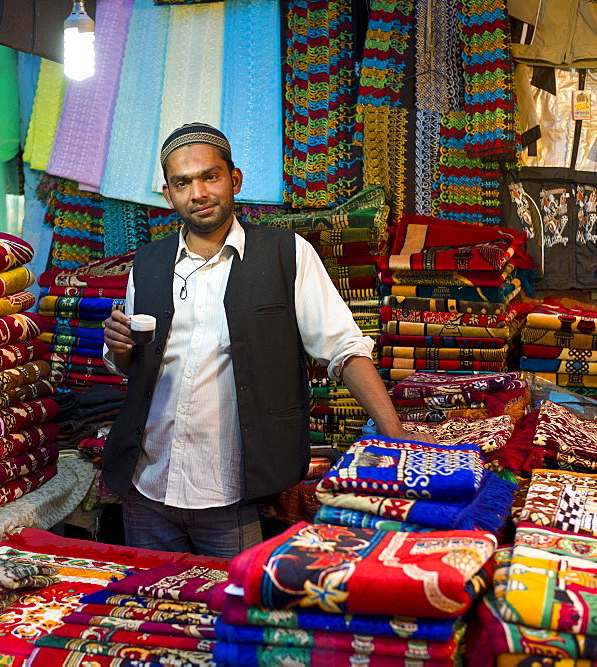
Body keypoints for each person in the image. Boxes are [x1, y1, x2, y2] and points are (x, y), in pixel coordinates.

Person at [102, 122, 431, 559]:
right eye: (182, 183)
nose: (197, 193)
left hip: (230, 490)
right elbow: (130, 363)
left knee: (233, 610)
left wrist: (396, 437)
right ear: (168, 193)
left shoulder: (286, 253)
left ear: (234, 180)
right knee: (151, 608)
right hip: (147, 484)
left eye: (210, 177)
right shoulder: (148, 262)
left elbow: (344, 349)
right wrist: (121, 349)